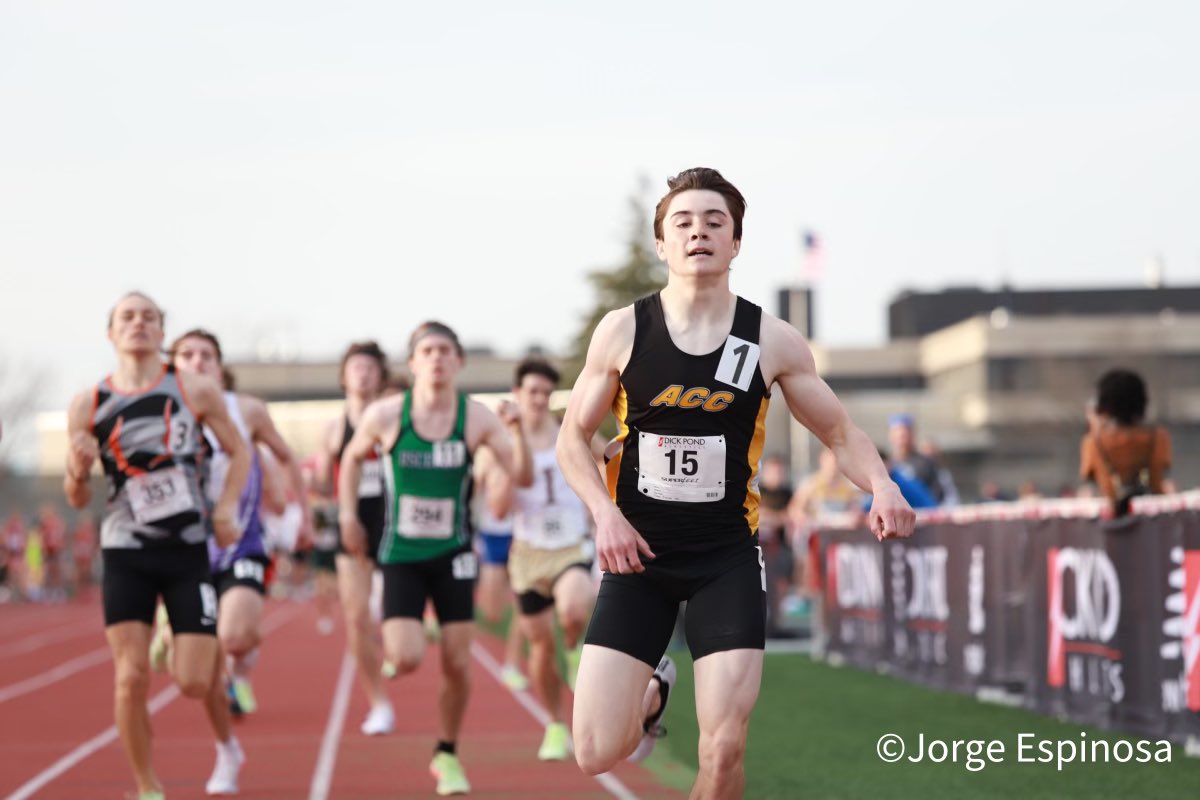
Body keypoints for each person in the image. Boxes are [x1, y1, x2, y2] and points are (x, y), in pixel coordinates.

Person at [557, 167, 915, 798]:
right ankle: (655, 690)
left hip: (725, 559)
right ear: (662, 243)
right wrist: (604, 515)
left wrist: (882, 485)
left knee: (723, 750)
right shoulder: (623, 331)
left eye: (714, 222)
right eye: (683, 223)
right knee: (595, 751)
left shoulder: (771, 339)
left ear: (736, 242)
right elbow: (571, 441)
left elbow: (839, 434)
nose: (698, 232)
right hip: (637, 556)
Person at [63, 291, 251, 800]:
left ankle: (224, 736)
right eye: (127, 316)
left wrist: (226, 509)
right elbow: (77, 497)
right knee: (130, 677)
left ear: (162, 332)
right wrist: (77, 470)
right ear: (111, 333)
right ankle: (148, 787)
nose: (138, 323)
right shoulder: (88, 404)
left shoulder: (193, 389)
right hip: (125, 550)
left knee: (194, 681)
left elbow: (238, 452)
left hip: (186, 549)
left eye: (149, 317)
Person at [339, 320, 533, 796]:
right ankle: (408, 636)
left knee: (457, 663)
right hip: (401, 552)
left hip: (453, 554)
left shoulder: (476, 418)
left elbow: (522, 475)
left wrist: (516, 433)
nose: (437, 358)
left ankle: (446, 752)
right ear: (412, 363)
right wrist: (347, 515)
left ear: (459, 361)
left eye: (445, 350)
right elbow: (350, 459)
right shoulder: (387, 415)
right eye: (427, 351)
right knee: (405, 658)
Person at [169, 328, 313, 717]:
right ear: (172, 366)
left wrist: (303, 515)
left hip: (240, 541)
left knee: (235, 635)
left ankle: (240, 669)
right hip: (181, 547)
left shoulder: (246, 410)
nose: (197, 362)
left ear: (220, 368)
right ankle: (177, 634)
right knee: (192, 668)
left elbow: (285, 456)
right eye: (187, 355)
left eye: (206, 355)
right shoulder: (159, 411)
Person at [503, 358, 600, 761]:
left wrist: (601, 506)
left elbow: (608, 456)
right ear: (518, 394)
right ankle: (556, 724)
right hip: (528, 554)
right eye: (533, 392)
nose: (540, 399)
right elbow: (504, 497)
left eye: (546, 392)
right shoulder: (504, 439)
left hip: (570, 545)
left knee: (574, 608)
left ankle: (575, 647)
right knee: (541, 649)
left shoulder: (569, 428)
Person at [316, 341, 394, 735]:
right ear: (344, 377)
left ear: (380, 376)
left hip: (396, 524)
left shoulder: (393, 418)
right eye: (355, 367)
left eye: (369, 367)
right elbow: (320, 484)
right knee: (357, 619)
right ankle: (378, 702)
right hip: (353, 527)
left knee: (397, 618)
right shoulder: (333, 429)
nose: (362, 374)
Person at [1080, 368, 1172, 516]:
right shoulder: (1158, 437)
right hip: (1151, 518)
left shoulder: (1094, 442)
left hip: (1110, 520)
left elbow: (1089, 474)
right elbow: (1158, 480)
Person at [887, 414, 957, 505]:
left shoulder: (926, 463)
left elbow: (940, 493)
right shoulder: (887, 465)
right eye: (897, 432)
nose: (902, 437)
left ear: (912, 435)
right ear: (890, 435)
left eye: (905, 433)